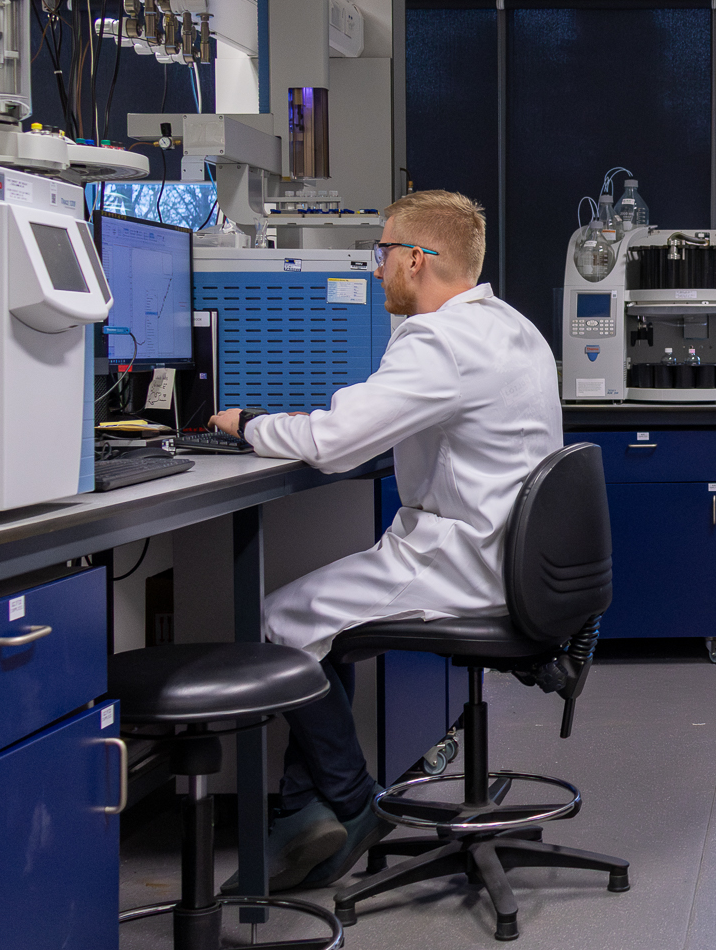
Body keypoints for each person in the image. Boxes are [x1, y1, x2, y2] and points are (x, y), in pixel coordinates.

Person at [207, 189, 561, 891]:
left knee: (280, 619)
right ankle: (304, 814)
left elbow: (334, 443)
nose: (376, 270)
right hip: (514, 559)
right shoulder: (511, 327)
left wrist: (246, 422)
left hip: (456, 560)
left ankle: (351, 801)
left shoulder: (439, 341)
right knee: (320, 619)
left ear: (418, 259)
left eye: (383, 252)